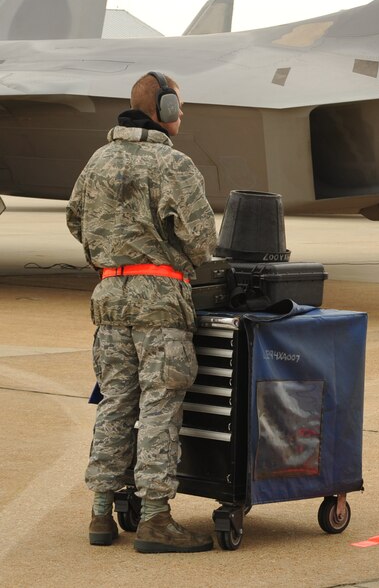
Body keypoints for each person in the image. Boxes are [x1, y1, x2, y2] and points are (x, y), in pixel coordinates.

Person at [66, 72, 219, 552]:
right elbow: (202, 241)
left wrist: (111, 250)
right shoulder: (173, 164)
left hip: (109, 296)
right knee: (159, 403)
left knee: (115, 401)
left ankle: (100, 513)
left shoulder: (98, 159)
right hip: (159, 298)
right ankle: (154, 518)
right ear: (168, 109)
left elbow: (75, 218)